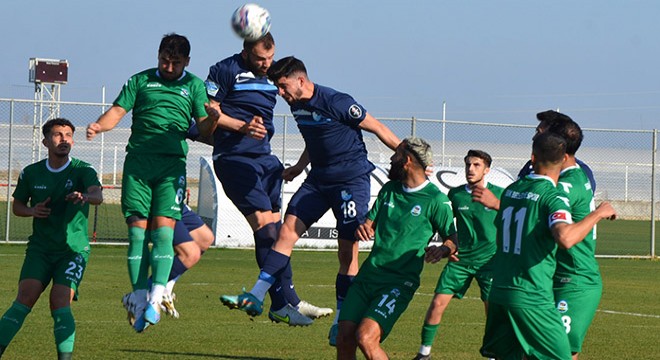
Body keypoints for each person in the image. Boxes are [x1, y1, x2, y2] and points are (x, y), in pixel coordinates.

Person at [219, 56, 401, 344]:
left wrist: (408, 155)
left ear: (300, 80)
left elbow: (377, 127)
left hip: (350, 182)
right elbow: (316, 138)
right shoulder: (295, 103)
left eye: (282, 86)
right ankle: (254, 296)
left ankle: (342, 321)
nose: (280, 93)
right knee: (286, 232)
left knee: (347, 254)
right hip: (318, 180)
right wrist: (300, 166)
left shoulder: (337, 101)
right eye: (277, 87)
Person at [86, 33, 218, 332]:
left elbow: (206, 129)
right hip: (138, 167)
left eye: (175, 63)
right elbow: (117, 112)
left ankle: (156, 296)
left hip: (171, 168)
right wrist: (99, 125)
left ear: (187, 61)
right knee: (136, 235)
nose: (168, 68)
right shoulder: (140, 81)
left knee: (162, 234)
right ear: (157, 56)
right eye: (163, 61)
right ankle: (137, 296)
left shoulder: (194, 86)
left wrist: (212, 117)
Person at [205, 34, 330, 326]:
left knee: (278, 236)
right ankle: (282, 303)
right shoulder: (224, 69)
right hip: (235, 159)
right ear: (246, 51)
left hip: (267, 161)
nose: (266, 65)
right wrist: (242, 127)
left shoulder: (271, 76)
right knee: (267, 232)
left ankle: (289, 302)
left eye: (270, 59)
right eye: (261, 59)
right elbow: (207, 112)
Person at [480, 131, 616, 360]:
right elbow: (565, 238)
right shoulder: (553, 197)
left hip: (499, 293)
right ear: (564, 159)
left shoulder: (512, 191)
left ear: (532, 158)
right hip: (531, 296)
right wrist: (598, 214)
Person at [336, 137, 458, 360]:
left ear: (407, 160)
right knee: (343, 338)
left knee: (365, 336)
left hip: (398, 283)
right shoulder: (389, 190)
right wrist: (363, 229)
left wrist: (443, 250)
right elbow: (368, 224)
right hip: (367, 277)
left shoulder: (436, 200)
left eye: (396, 155)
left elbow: (453, 238)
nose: (391, 159)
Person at [0, 118, 103, 360]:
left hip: (73, 250)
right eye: (58, 135)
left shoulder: (82, 170)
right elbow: (17, 206)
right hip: (40, 249)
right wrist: (32, 211)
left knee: (59, 301)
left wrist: (85, 197)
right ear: (46, 141)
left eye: (68, 135)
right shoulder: (31, 172)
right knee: (24, 298)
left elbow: (97, 195)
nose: (64, 139)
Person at [413, 150, 504, 360]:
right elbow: (444, 226)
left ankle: (493, 356)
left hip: (490, 263)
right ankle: (423, 354)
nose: (470, 169)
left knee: (493, 313)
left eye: (476, 165)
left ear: (487, 170)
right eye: (468, 165)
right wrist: (446, 248)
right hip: (460, 261)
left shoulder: (499, 195)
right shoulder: (455, 195)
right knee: (437, 303)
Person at [550, 118, 601, 359]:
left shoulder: (566, 185)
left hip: (575, 280)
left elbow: (565, 237)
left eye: (541, 135)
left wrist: (599, 214)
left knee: (558, 352)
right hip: (557, 277)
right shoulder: (579, 174)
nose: (535, 140)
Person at [122, 204, 215, 320]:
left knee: (205, 238)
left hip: (178, 201)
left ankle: (166, 288)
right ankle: (141, 295)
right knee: (190, 254)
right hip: (163, 201)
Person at [518, 110, 596, 191]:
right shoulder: (531, 165)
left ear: (555, 138)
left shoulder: (580, 174)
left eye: (539, 132)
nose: (534, 138)